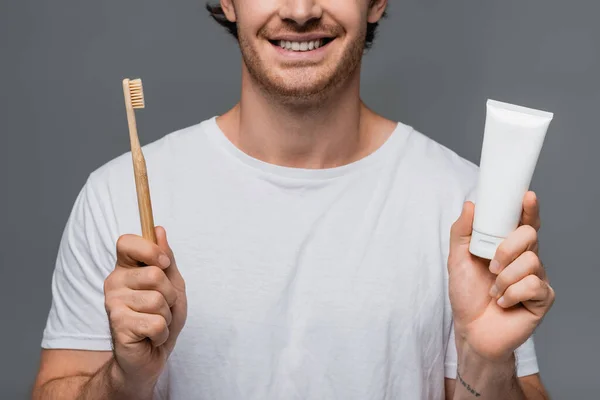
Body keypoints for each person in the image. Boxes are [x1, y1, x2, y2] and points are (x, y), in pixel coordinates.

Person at [32, 0, 555, 399]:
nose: (301, 11)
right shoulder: (119, 195)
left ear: (376, 1)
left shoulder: (463, 203)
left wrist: (486, 363)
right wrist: (124, 380)